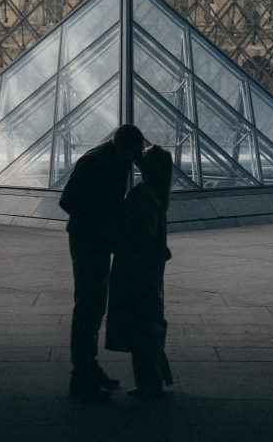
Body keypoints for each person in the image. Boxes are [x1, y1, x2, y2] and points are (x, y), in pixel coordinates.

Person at [59, 123, 145, 401]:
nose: (136, 160)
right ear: (125, 147)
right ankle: (81, 377)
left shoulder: (116, 157)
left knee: (95, 305)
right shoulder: (94, 161)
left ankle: (89, 367)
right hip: (87, 240)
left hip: (97, 238)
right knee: (88, 304)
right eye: (135, 155)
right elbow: (67, 200)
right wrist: (100, 224)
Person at [105, 144, 174, 399]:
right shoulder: (157, 191)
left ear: (150, 165)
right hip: (148, 267)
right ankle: (154, 378)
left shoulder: (144, 193)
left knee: (141, 324)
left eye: (144, 154)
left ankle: (149, 383)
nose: (139, 155)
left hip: (136, 267)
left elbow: (142, 233)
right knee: (148, 322)